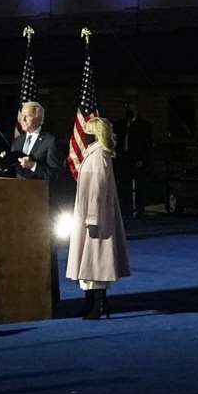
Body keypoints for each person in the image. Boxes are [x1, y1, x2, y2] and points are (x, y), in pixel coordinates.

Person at [65, 115, 130, 319]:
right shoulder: (94, 154)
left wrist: (92, 218)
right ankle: (90, 302)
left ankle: (99, 304)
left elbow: (97, 190)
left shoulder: (99, 155)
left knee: (96, 262)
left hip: (96, 216)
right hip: (88, 214)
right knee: (88, 261)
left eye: (87, 132)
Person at [10, 101, 64, 186]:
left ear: (40, 119)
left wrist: (33, 165)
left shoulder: (50, 141)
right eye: (22, 116)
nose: (23, 120)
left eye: (27, 116)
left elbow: (55, 175)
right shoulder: (17, 141)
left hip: (38, 194)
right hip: (17, 192)